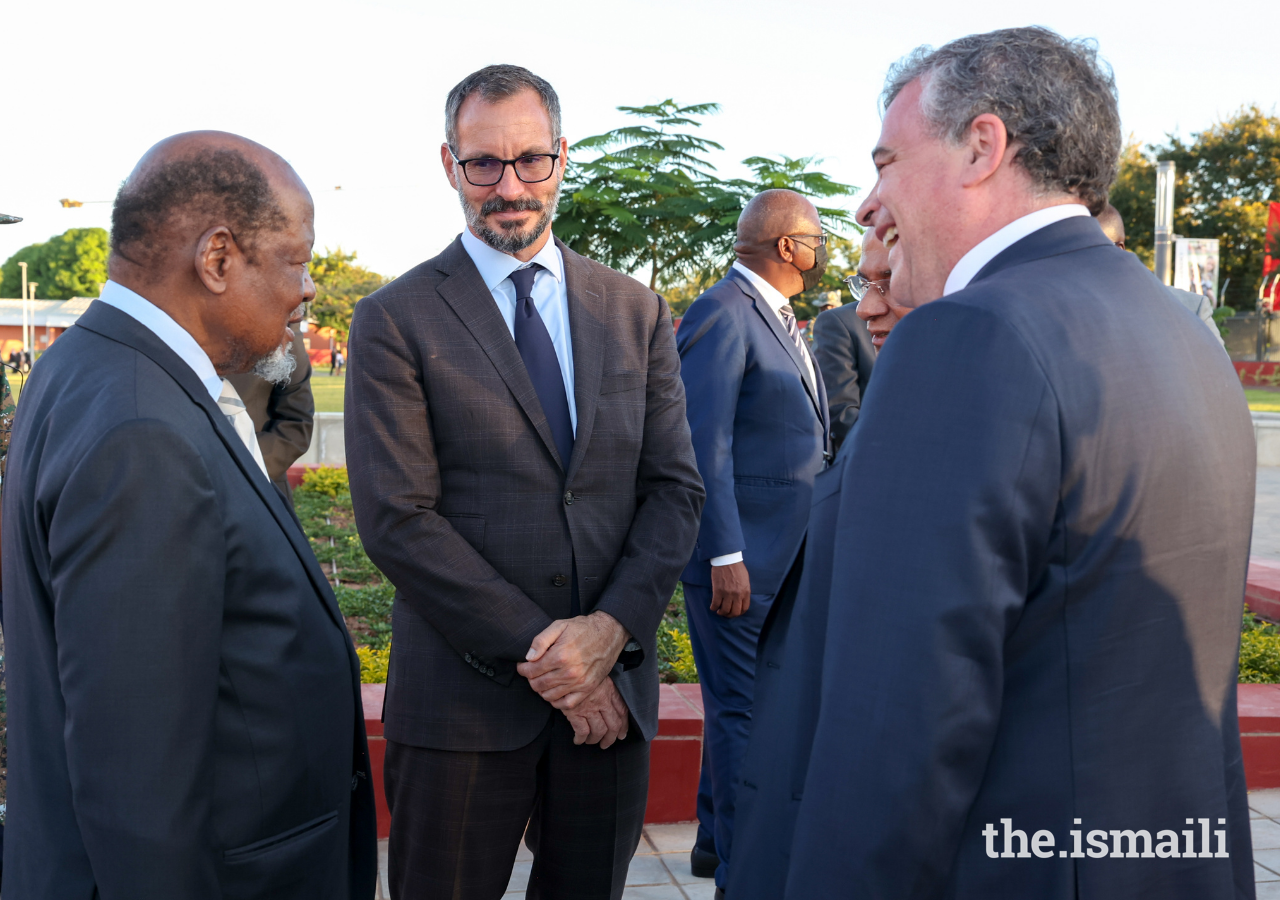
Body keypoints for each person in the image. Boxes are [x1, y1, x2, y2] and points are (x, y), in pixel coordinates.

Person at [729, 27, 1255, 900]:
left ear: (982, 146)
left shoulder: (970, 336)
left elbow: (898, 733)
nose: (865, 205)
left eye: (887, 161)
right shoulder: (1181, 331)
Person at [345, 65, 704, 900]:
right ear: (449, 165)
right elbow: (399, 518)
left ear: (562, 158)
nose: (509, 187)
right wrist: (560, 661)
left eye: (530, 160)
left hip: (611, 700)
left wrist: (609, 635)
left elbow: (674, 490)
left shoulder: (635, 310)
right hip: (463, 710)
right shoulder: (395, 319)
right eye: (483, 164)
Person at [1, 132, 377, 898]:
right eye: (297, 261)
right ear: (217, 259)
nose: (308, 290)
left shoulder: (88, 365)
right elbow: (139, 791)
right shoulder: (144, 433)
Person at [674, 189, 831, 894]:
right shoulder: (722, 313)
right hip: (741, 564)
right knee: (745, 718)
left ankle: (714, 843)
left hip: (783, 557)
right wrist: (724, 554)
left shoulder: (777, 316)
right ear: (788, 247)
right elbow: (702, 446)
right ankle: (746, 876)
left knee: (741, 712)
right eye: (818, 237)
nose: (825, 249)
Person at [1097, 203, 1226, 347]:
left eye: (1089, 249)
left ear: (1119, 249)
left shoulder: (1192, 309)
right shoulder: (1070, 311)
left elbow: (1220, 369)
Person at [810, 230, 885, 451]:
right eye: (862, 284)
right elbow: (843, 415)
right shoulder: (839, 322)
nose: (865, 308)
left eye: (887, 281)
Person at [228, 329, 315, 504]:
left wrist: (230, 472)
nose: (309, 299)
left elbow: (295, 423)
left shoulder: (285, 326)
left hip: (258, 488)